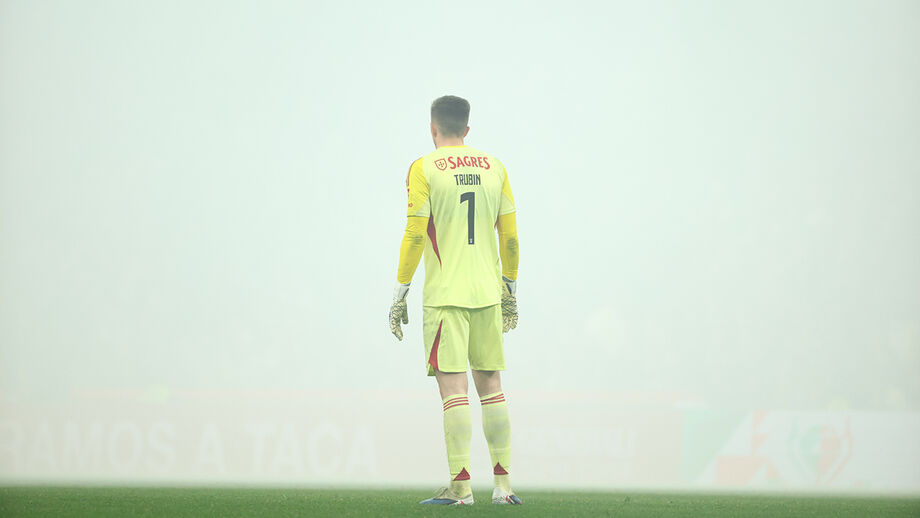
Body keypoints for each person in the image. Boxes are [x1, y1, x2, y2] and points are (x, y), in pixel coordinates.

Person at [388, 95, 521, 506]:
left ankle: (461, 488)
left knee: (454, 391)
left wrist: (400, 291)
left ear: (433, 128)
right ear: (467, 129)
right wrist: (510, 289)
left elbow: (415, 233)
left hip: (445, 296)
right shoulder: (495, 167)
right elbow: (510, 237)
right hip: (487, 294)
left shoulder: (424, 168)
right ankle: (503, 488)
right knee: (492, 388)